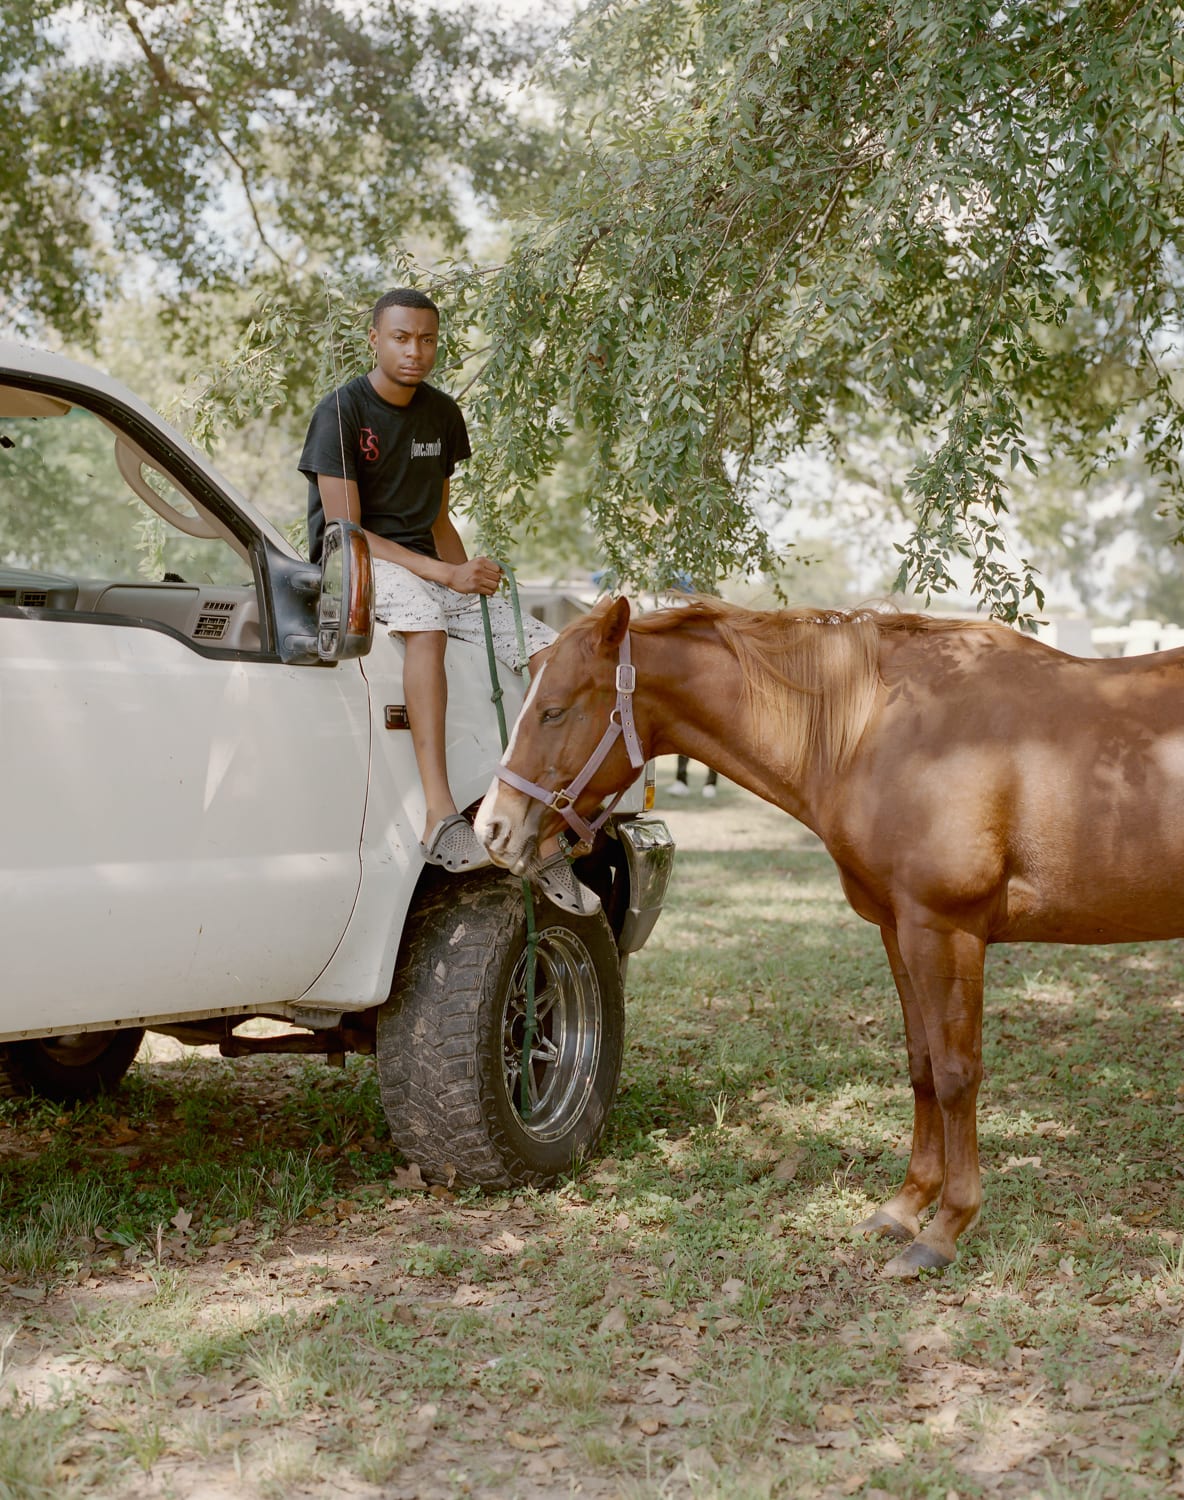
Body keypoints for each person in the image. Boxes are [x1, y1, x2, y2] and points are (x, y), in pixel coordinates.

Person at [299, 287, 594, 912]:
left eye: (427, 339)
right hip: (356, 563)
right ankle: (438, 814)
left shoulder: (441, 414)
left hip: (425, 563)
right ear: (375, 340)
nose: (416, 351)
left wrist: (469, 577)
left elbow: (437, 519)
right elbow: (346, 531)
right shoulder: (342, 412)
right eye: (402, 338)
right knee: (426, 620)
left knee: (548, 649)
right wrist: (441, 577)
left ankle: (541, 836)